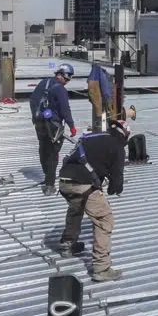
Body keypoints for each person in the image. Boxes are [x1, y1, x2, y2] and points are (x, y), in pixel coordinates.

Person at [57, 118, 131, 282]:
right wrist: (113, 188)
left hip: (64, 180)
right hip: (84, 184)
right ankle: (101, 268)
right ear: (124, 136)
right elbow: (116, 184)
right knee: (104, 219)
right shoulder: (118, 147)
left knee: (76, 208)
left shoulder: (92, 136)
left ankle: (68, 245)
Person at [30, 64, 77, 196]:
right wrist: (71, 125)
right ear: (62, 75)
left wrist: (36, 116)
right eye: (67, 79)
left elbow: (33, 100)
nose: (67, 82)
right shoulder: (59, 89)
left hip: (39, 123)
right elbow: (65, 109)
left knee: (43, 148)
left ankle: (47, 175)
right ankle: (49, 184)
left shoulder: (44, 83)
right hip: (53, 126)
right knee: (52, 154)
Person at [86, 62, 114, 132]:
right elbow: (106, 91)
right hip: (103, 104)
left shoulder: (96, 75)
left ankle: (100, 126)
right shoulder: (103, 75)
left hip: (100, 105)